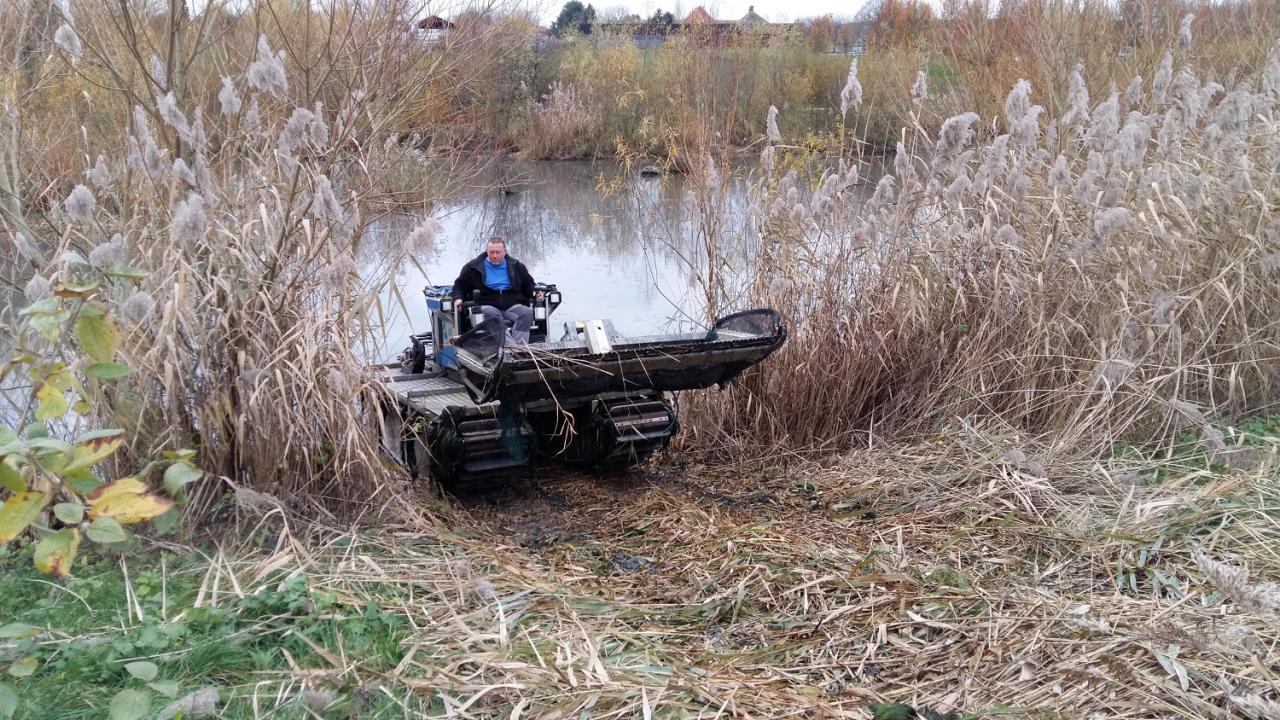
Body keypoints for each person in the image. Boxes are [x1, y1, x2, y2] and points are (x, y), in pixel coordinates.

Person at [451, 236, 543, 344]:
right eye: (491, 252)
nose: (494, 256)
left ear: (505, 252)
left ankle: (519, 349)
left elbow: (528, 283)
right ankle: (513, 350)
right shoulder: (472, 268)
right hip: (486, 304)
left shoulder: (517, 266)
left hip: (511, 304)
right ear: (487, 252)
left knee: (526, 313)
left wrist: (535, 292)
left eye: (498, 252)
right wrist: (458, 299)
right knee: (493, 316)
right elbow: (459, 286)